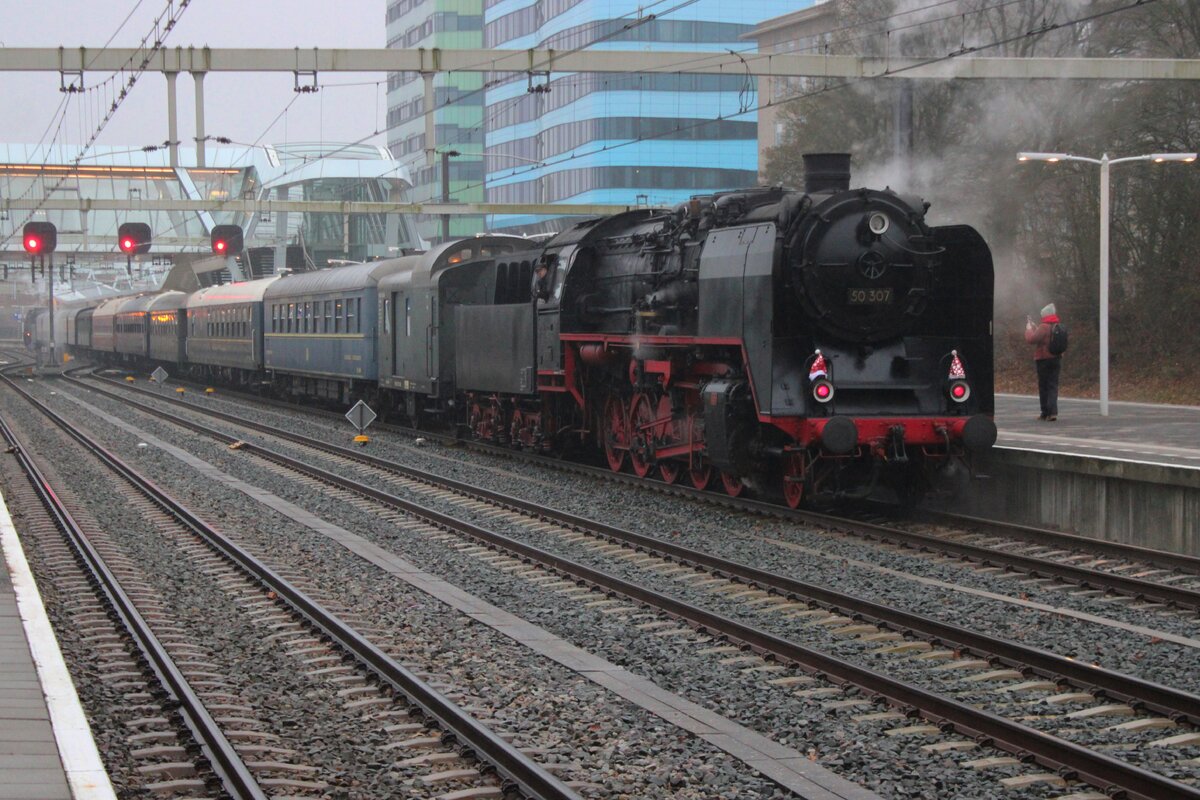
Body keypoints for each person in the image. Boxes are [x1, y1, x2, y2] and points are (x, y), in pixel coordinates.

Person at [1024, 302, 1062, 421]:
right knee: (1053, 385)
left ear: (1045, 315)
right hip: (1056, 358)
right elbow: (1046, 337)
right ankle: (1053, 412)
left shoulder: (1044, 326)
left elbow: (1031, 339)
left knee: (1043, 386)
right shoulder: (1057, 325)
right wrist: (1036, 328)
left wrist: (1029, 329)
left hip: (1043, 360)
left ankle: (1045, 412)